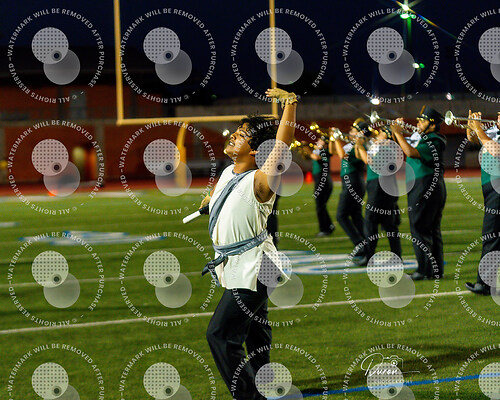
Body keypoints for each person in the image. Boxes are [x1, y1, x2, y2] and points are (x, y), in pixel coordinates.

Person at [202, 88, 298, 400]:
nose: (233, 136)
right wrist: (210, 202)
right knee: (255, 327)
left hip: (257, 265)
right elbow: (223, 197)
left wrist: (290, 105)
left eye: (242, 135)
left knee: (220, 335)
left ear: (256, 150)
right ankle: (264, 382)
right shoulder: (228, 172)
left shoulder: (262, 180)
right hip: (240, 264)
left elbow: (280, 147)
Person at [391, 106, 447, 280]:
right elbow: (403, 146)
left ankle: (424, 270)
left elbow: (410, 152)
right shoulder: (423, 138)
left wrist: (398, 133)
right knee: (431, 229)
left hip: (425, 185)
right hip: (426, 185)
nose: (418, 123)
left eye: (422, 121)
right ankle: (436, 271)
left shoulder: (434, 140)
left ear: (432, 125)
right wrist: (395, 132)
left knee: (419, 228)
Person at [354, 126, 402, 265]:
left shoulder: (387, 148)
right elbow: (359, 156)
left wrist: (359, 145)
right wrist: (358, 144)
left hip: (380, 187)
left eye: (381, 132)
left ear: (387, 135)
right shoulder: (382, 147)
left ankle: (369, 256)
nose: (377, 134)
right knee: (388, 224)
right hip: (381, 186)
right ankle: (397, 257)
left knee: (370, 222)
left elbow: (368, 160)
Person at [465, 111, 500, 295]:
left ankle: (484, 284)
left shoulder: (491, 135)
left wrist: (478, 128)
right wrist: (471, 125)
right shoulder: (493, 132)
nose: (498, 117)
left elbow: (495, 151)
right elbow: (473, 139)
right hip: (490, 188)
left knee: (490, 235)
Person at [332, 119, 367, 256]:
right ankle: (366, 244)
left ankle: (359, 244)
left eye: (354, 130)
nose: (350, 132)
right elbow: (334, 151)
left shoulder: (360, 145)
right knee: (356, 215)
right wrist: (333, 139)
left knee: (341, 216)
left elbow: (342, 155)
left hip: (353, 181)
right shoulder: (352, 144)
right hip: (353, 181)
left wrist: (337, 139)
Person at [300, 135, 335, 236]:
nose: (318, 141)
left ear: (325, 143)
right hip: (320, 180)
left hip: (323, 181)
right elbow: (309, 157)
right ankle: (329, 225)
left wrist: (308, 150)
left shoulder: (325, 152)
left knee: (320, 205)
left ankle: (325, 229)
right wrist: (306, 149)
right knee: (321, 205)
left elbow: (316, 157)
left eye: (321, 140)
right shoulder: (318, 151)